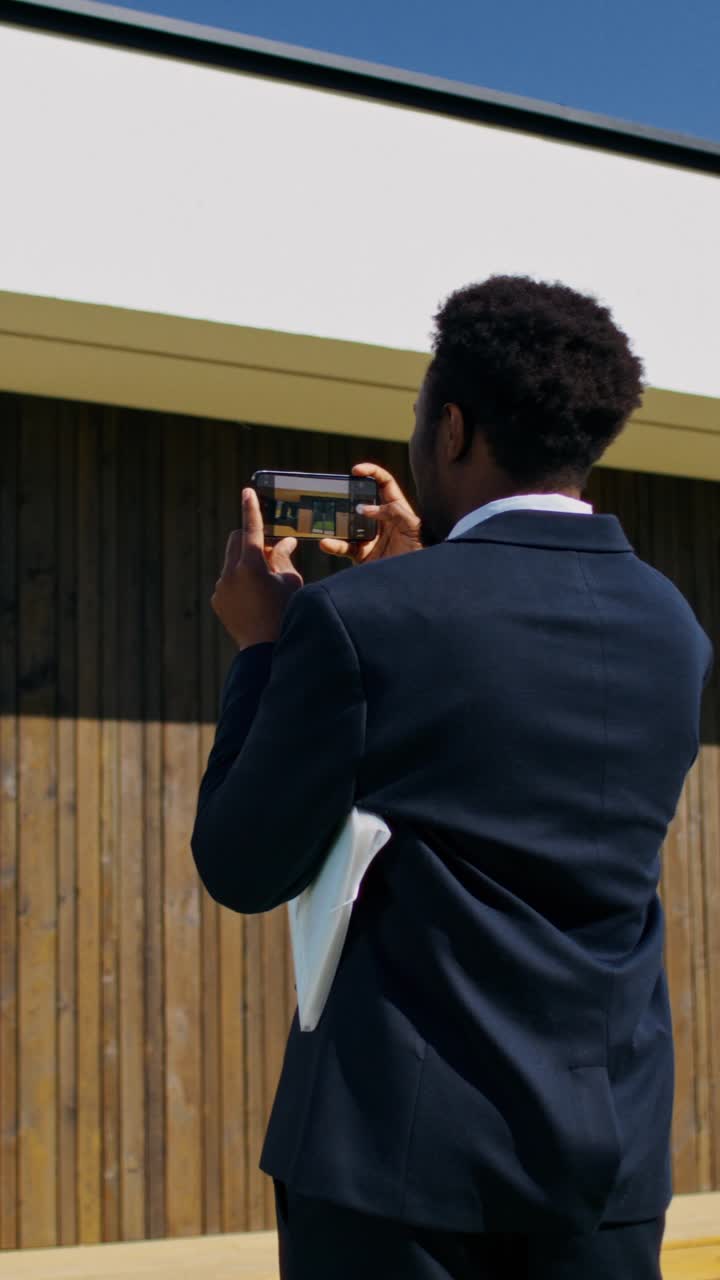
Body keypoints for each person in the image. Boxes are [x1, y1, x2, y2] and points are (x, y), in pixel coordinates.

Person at [191, 276, 713, 1280]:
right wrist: (415, 573)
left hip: (397, 1171)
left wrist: (264, 647)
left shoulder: (362, 620)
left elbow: (242, 862)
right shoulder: (671, 626)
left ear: (455, 427)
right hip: (609, 1159)